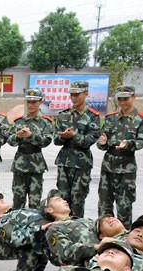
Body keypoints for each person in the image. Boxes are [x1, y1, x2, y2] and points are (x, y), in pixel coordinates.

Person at [96, 85, 143, 224]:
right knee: (104, 205)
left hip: (127, 167)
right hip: (108, 166)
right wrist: (102, 143)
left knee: (124, 206)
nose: (122, 102)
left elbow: (142, 141)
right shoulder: (110, 118)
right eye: (120, 99)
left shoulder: (141, 119)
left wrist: (130, 144)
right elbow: (102, 141)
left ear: (134, 97)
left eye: (126, 99)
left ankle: (124, 237)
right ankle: (105, 236)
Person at [53, 80, 100, 218]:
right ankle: (63, 226)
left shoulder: (92, 116)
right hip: (64, 161)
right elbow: (56, 140)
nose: (73, 97)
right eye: (72, 95)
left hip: (82, 163)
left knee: (78, 199)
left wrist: (74, 135)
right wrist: (64, 136)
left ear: (86, 94)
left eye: (77, 94)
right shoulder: (63, 115)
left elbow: (90, 140)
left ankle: (77, 227)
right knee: (63, 199)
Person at [7, 88, 53, 209]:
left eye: (34, 102)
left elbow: (46, 141)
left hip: (36, 165)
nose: (30, 105)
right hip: (20, 164)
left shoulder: (45, 122)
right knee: (17, 201)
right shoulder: (19, 121)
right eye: (28, 102)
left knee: (35, 202)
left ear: (40, 102)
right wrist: (17, 136)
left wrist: (31, 136)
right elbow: (10, 141)